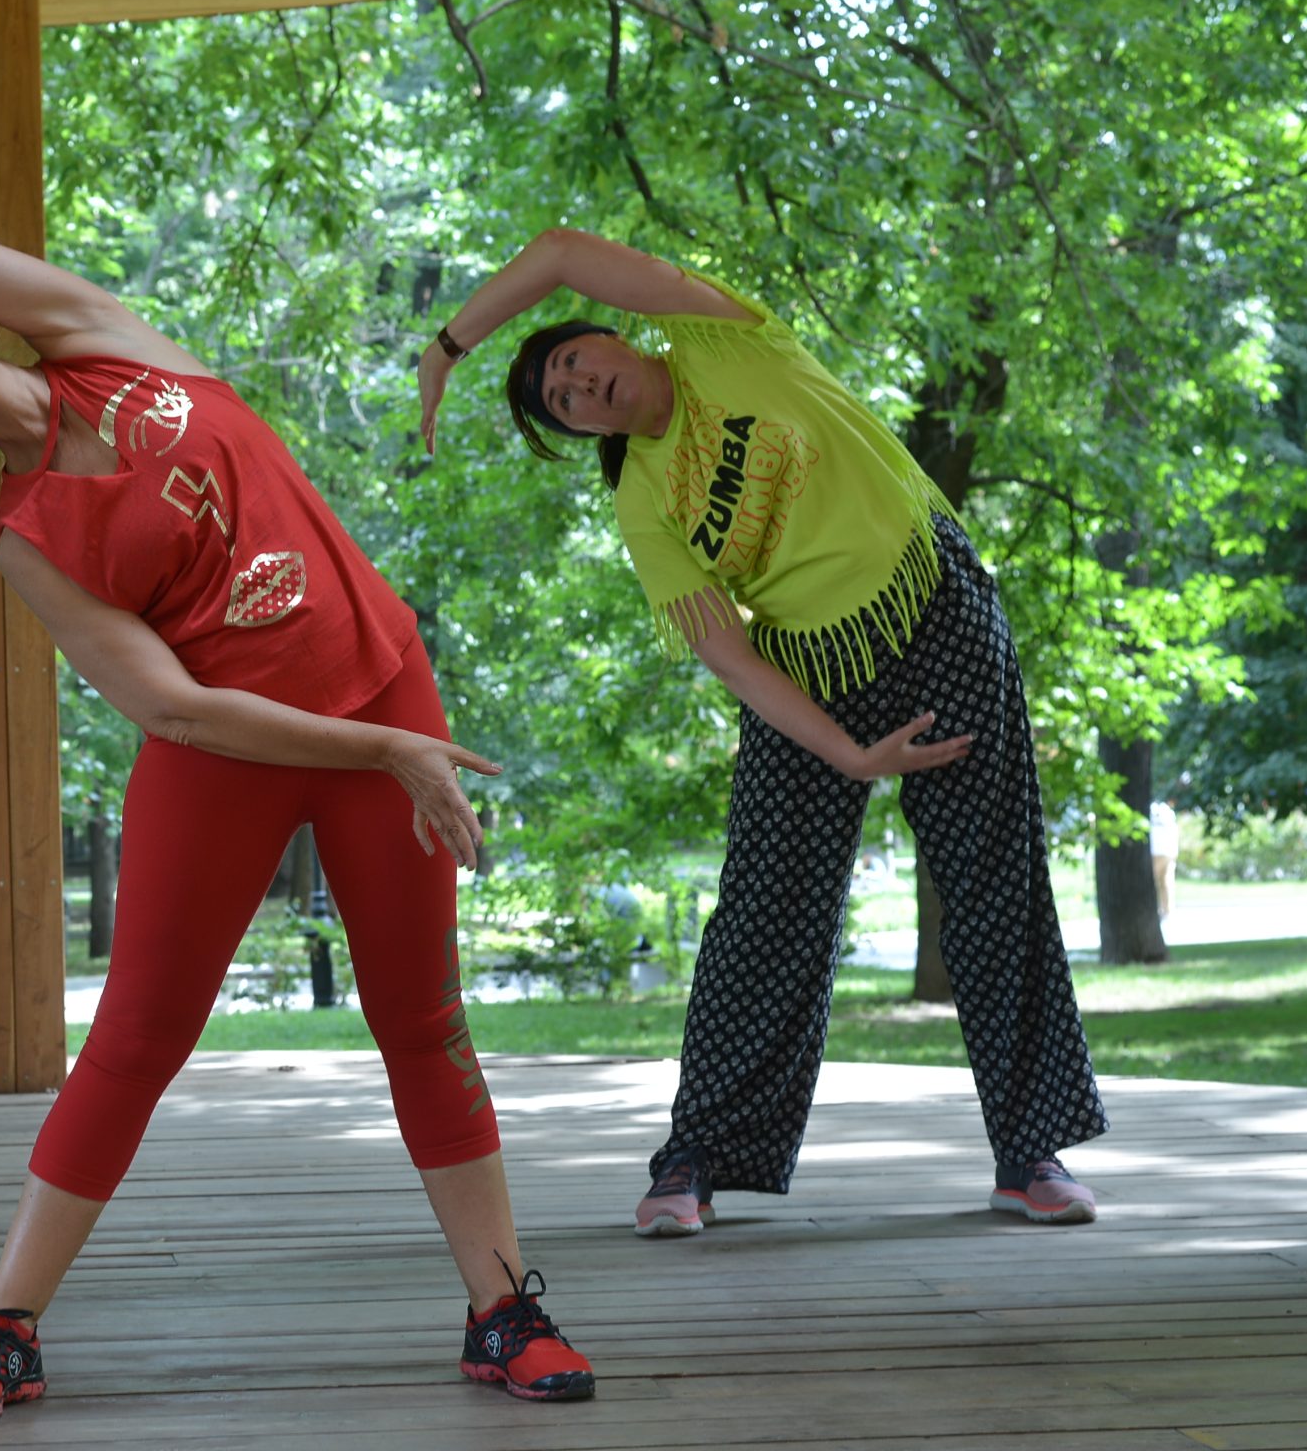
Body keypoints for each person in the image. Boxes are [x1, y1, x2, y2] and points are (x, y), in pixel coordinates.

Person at [0, 215, 593, 1425]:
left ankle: (500, 1310)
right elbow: (177, 710)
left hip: (385, 686)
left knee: (423, 1018)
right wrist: (386, 754)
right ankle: (6, 1328)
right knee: (135, 1039)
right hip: (237, 753)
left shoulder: (99, 338)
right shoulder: (27, 543)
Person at [419, 228, 1108, 1236]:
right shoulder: (644, 500)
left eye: (572, 363)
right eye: (559, 404)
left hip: (934, 609)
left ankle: (1027, 1152)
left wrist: (448, 347)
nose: (575, 389)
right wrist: (848, 754)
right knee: (764, 910)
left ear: (614, 335)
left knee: (989, 878)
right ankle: (695, 1159)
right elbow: (728, 654)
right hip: (806, 671)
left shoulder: (722, 341)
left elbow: (562, 251)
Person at [1148, 800, 1179, 919]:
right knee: (1165, 882)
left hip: (1159, 852)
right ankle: (1165, 910)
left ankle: (1164, 909)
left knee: (1160, 882)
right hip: (1167, 852)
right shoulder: (1167, 814)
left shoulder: (1158, 813)